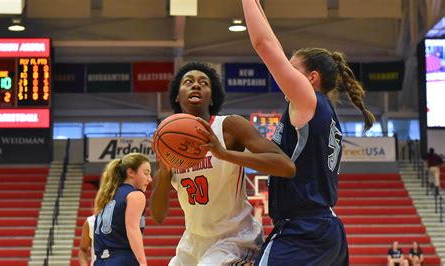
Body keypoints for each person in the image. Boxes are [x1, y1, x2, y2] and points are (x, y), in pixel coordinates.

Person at [242, 0, 376, 265]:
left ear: (311, 78)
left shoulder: (307, 101)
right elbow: (273, 44)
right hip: (324, 229)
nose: (284, 72)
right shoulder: (320, 111)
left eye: (292, 68)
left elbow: (265, 45)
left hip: (303, 232)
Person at [150, 62, 296, 265]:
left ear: (212, 98)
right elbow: (158, 216)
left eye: (204, 83)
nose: (196, 85)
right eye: (188, 82)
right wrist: (165, 172)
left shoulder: (229, 126)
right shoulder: (170, 144)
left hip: (235, 238)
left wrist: (223, 154)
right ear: (177, 95)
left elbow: (285, 166)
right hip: (193, 242)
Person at [93, 153, 153, 266]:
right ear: (130, 172)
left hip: (100, 261)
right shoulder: (135, 195)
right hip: (122, 259)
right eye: (146, 173)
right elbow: (132, 229)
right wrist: (142, 262)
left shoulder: (107, 195)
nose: (150, 179)